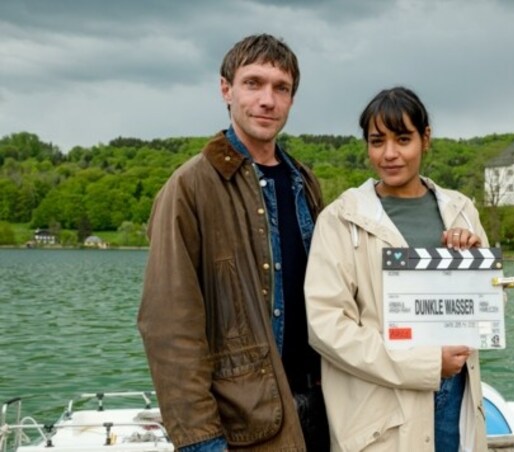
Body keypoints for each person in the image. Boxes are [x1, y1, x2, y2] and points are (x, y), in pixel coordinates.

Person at [138, 34, 328, 451]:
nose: (267, 100)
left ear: (292, 99)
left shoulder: (304, 182)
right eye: (253, 83)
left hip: (320, 409)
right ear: (226, 89)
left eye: (281, 88)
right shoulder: (190, 186)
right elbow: (169, 325)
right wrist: (201, 439)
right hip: (245, 423)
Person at [304, 86, 489, 451]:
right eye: (377, 141)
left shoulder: (461, 209)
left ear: (425, 139)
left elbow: (488, 313)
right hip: (382, 412)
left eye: (403, 139)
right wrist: (426, 362)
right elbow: (326, 327)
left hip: (455, 399)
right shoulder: (341, 220)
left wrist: (474, 267)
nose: (389, 154)